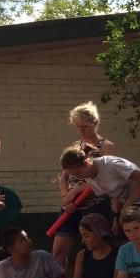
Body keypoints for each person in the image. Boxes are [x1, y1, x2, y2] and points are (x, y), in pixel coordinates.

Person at [51, 102, 117, 268]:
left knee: (93, 248)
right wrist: (66, 197)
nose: (80, 130)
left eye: (84, 126)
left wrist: (79, 190)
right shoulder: (74, 146)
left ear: (94, 123)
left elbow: (104, 176)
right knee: (58, 250)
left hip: (95, 202)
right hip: (72, 204)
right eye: (77, 126)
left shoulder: (105, 146)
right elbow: (63, 175)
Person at [59, 147, 140, 233]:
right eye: (73, 175)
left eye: (77, 173)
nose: (78, 177)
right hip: (131, 204)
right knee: (135, 240)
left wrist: (127, 205)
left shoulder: (112, 165)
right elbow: (115, 193)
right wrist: (117, 216)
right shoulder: (89, 177)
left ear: (87, 162)